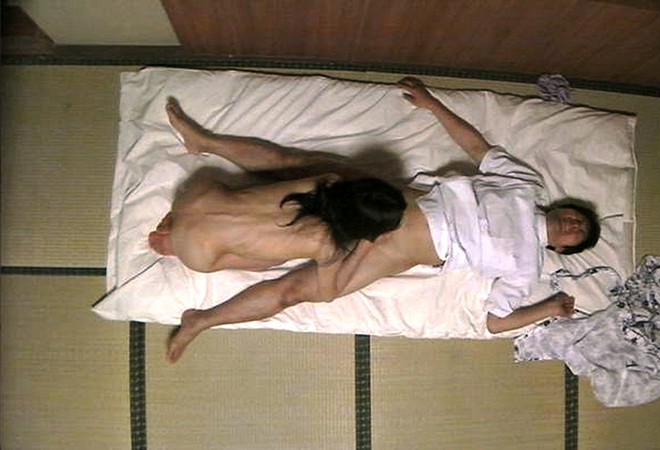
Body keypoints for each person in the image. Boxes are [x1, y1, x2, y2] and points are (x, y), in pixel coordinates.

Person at [162, 78, 601, 363]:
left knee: (296, 292)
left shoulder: (528, 268)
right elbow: (476, 147)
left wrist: (548, 309)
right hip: (389, 201)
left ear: (562, 248)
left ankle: (202, 320)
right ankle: (206, 143)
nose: (575, 226)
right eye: (578, 218)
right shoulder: (526, 185)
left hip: (395, 251)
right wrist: (432, 104)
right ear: (564, 207)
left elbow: (494, 323)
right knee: (294, 164)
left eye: (579, 235)